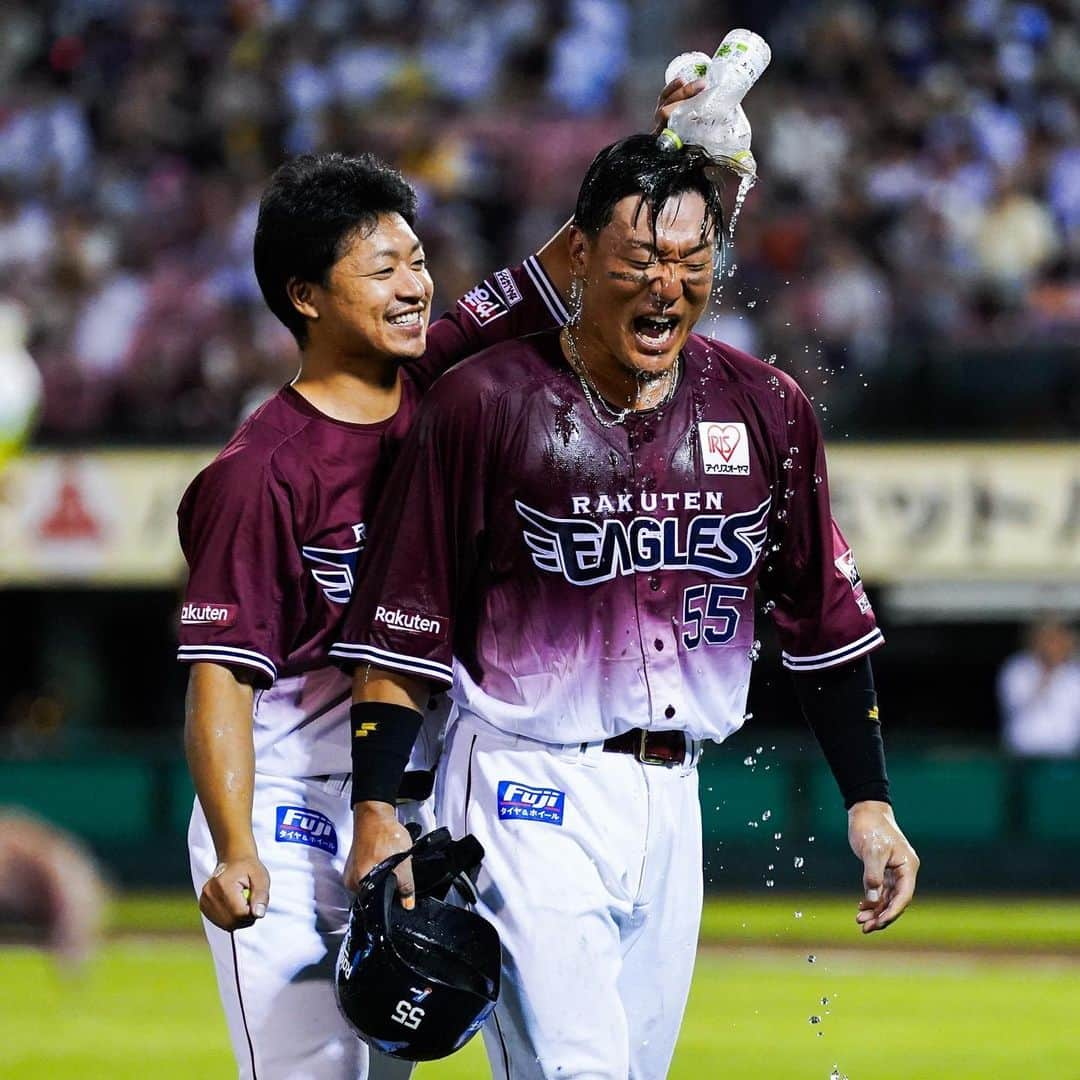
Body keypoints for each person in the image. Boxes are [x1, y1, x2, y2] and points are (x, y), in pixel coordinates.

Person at [334, 133, 920, 1079]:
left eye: (691, 261)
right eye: (639, 260)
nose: (666, 285)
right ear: (582, 260)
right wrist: (376, 807)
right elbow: (404, 629)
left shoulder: (766, 408)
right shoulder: (481, 403)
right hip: (523, 788)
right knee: (581, 1071)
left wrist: (871, 803)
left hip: (673, 796)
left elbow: (823, 618)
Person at [179, 81, 703, 1080]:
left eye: (417, 260)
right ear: (305, 295)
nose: (417, 285)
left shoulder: (442, 385)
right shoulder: (260, 471)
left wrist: (671, 140)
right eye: (383, 269)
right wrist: (239, 844)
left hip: (418, 805)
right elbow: (220, 677)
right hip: (291, 808)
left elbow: (565, 265)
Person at [997, 617, 1080, 757]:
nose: (1053, 646)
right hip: (1025, 755)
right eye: (1048, 639)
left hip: (1066, 756)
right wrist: (1046, 673)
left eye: (1058, 639)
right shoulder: (1018, 669)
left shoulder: (1074, 674)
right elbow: (1016, 704)